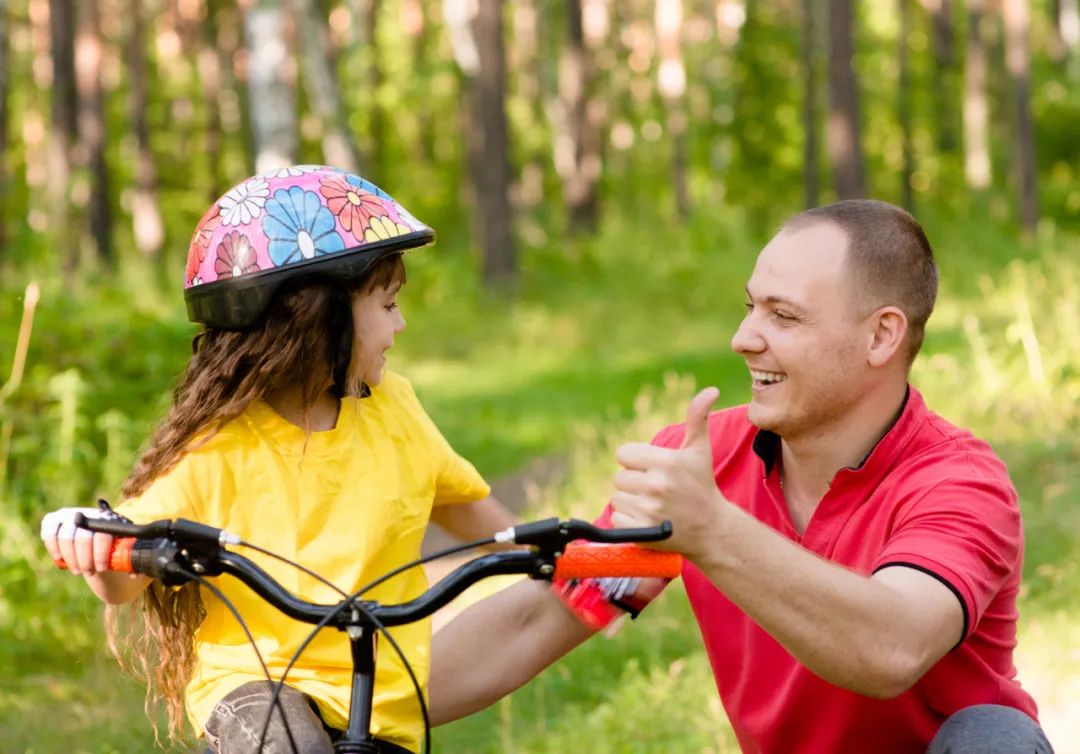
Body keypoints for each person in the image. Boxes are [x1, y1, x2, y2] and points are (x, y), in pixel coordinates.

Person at [428, 199, 1054, 753]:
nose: (742, 338)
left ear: (881, 336)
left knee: (993, 738)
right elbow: (545, 618)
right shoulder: (703, 464)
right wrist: (345, 704)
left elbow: (892, 650)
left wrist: (711, 529)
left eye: (783, 317)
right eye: (750, 307)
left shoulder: (959, 482)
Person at [39, 165, 517, 754]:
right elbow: (123, 574)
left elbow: (464, 505)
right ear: (319, 319)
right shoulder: (221, 443)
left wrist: (545, 554)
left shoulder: (396, 409)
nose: (401, 324)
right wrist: (90, 542)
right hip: (258, 695)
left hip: (383, 703)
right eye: (387, 305)